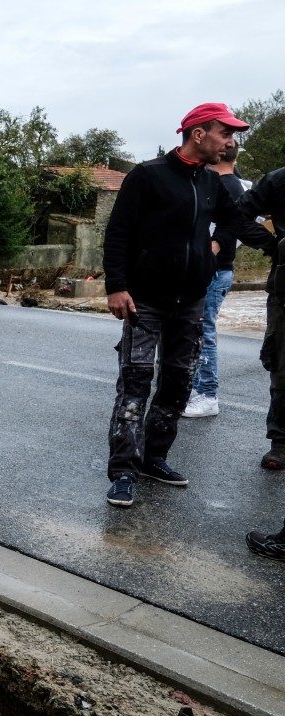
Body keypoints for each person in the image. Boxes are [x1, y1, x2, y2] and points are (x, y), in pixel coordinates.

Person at [102, 103, 269, 508]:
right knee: (135, 385)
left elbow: (238, 219)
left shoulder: (212, 182)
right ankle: (123, 470)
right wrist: (116, 286)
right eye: (225, 133)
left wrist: (222, 245)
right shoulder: (148, 175)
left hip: (191, 302)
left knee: (177, 384)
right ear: (198, 134)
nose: (231, 142)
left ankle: (154, 459)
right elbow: (118, 231)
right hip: (145, 301)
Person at [181, 143, 261, 418]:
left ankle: (207, 394)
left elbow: (229, 227)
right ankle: (198, 390)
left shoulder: (225, 186)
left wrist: (212, 248)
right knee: (200, 329)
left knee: (203, 331)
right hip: (219, 267)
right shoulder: (237, 184)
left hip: (214, 268)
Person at [234, 166, 285, 470]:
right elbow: (236, 215)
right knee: (282, 365)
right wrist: (273, 246)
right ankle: (281, 442)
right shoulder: (278, 180)